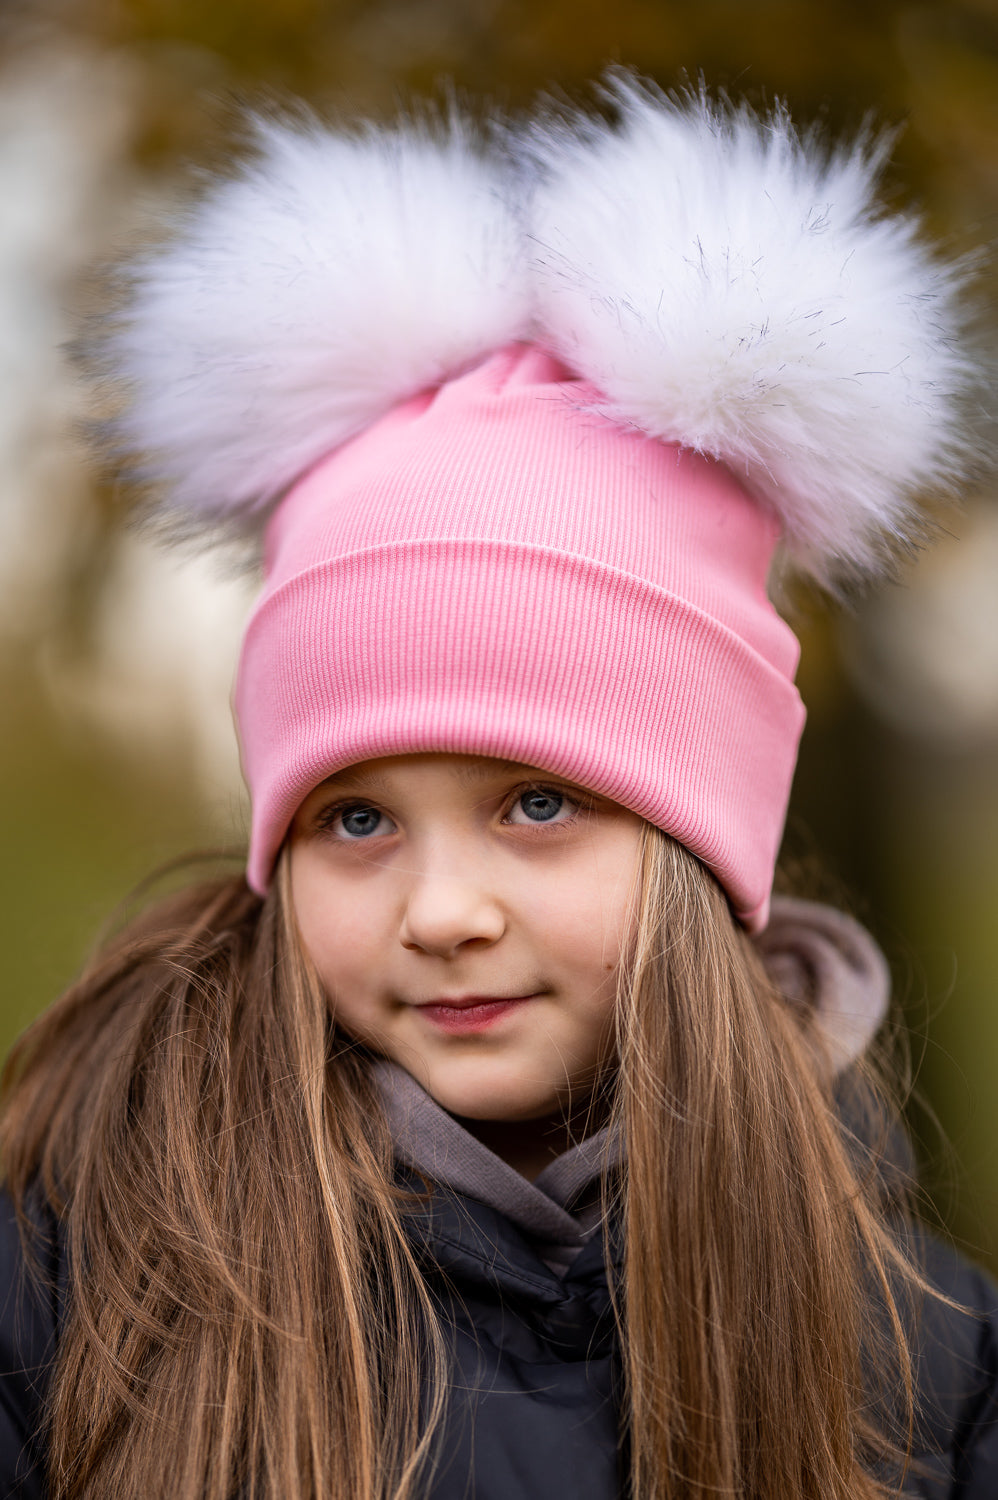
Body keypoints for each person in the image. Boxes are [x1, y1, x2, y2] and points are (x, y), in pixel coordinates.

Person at [0, 73, 995, 1500]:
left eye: (537, 803)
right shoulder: (79, 1287)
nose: (443, 911)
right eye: (356, 818)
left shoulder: (924, 1362)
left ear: (699, 843)